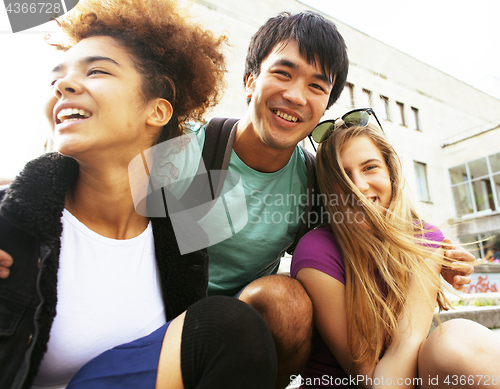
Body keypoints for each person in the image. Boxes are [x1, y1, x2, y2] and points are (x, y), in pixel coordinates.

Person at [0, 9, 476, 389]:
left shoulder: (311, 184)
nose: (294, 95)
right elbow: (84, 170)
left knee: (284, 297)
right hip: (165, 320)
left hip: (245, 332)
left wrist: (430, 251)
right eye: (283, 73)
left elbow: (367, 225)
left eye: (316, 86)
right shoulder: (187, 149)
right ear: (250, 80)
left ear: (324, 107)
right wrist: (11, 228)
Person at [0, 1, 277, 388]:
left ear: (157, 111)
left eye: (96, 70)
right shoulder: (11, 223)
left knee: (230, 325)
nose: (63, 85)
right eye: (56, 80)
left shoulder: (180, 244)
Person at [290, 110, 500, 388]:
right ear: (329, 191)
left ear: (391, 172)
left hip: (407, 376)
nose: (358, 187)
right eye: (343, 177)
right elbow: (368, 374)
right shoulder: (317, 250)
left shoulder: (425, 238)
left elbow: (411, 350)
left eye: (370, 167)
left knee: (454, 338)